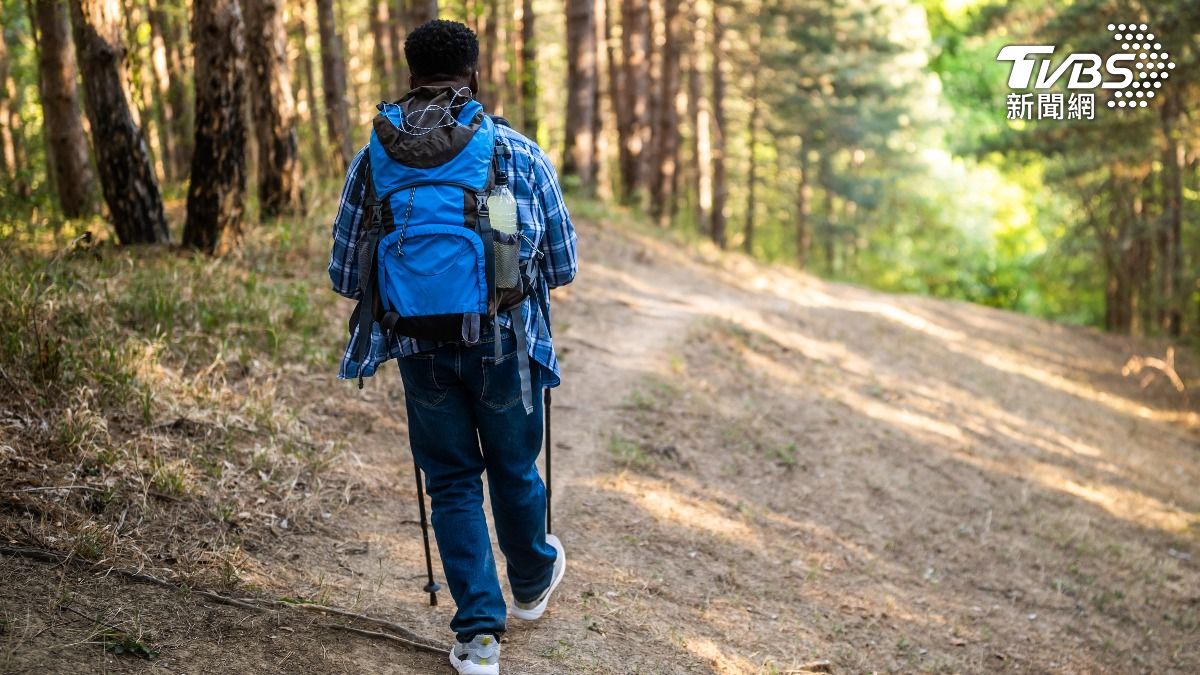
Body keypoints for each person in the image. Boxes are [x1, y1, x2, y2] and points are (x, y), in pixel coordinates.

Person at [327, 19, 578, 675]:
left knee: (451, 481)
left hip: (419, 343)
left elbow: (345, 276)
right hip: (504, 339)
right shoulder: (516, 153)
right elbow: (562, 262)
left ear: (409, 76)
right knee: (515, 466)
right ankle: (530, 580)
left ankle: (478, 638)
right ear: (474, 74)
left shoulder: (374, 160)